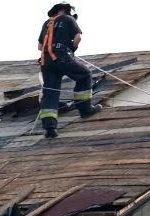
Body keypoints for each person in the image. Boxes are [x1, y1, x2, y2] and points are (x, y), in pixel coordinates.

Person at [37, 3, 102, 138]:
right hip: (62, 57)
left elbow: (39, 46)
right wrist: (70, 50)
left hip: (46, 62)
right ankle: (85, 109)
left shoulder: (46, 23)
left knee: (50, 92)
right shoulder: (68, 19)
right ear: (65, 11)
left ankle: (50, 128)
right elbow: (78, 37)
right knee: (84, 75)